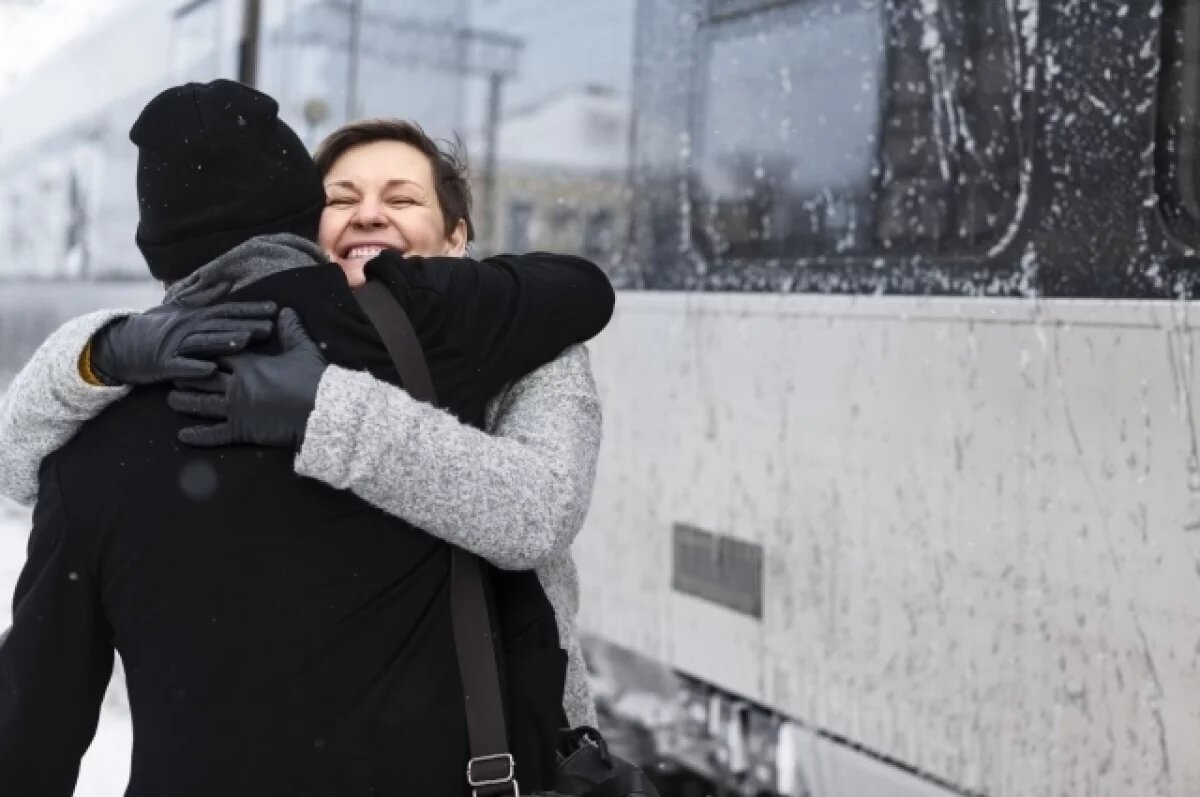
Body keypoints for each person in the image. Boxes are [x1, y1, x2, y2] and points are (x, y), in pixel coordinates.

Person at [0, 79, 612, 794]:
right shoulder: (450, 334)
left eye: (403, 199)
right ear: (309, 217)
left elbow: (30, 729)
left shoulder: (95, 441)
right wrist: (100, 350)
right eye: (343, 198)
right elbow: (581, 288)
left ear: (460, 239)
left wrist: (320, 404)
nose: (369, 219)